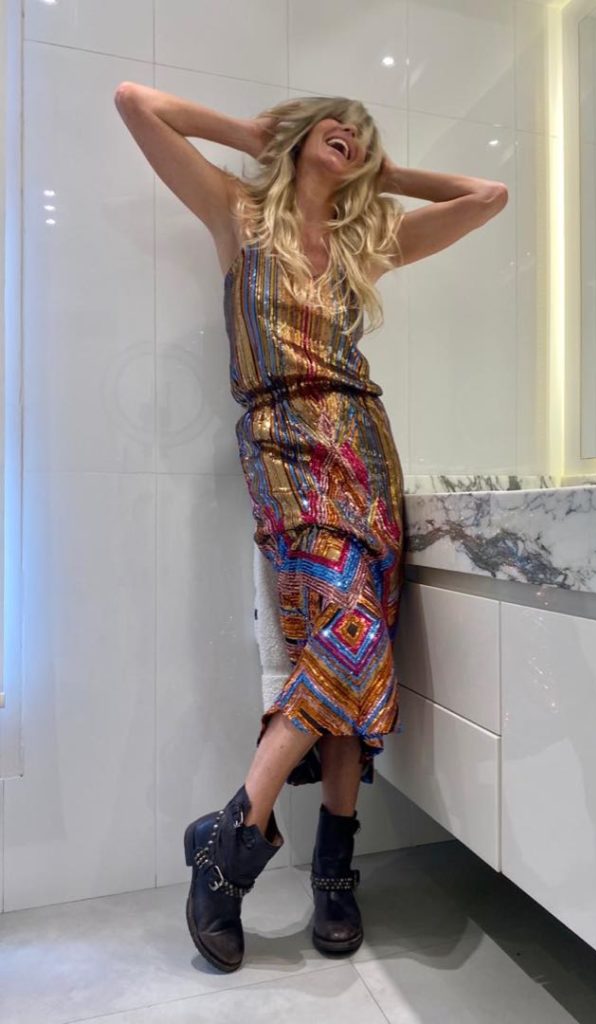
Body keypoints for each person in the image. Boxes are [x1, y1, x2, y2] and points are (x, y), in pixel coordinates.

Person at [114, 83, 508, 973]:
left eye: (362, 134)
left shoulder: (366, 244)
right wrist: (258, 136)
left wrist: (381, 173)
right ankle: (236, 837)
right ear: (298, 135)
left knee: (355, 650)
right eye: (337, 124)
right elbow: (136, 103)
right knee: (348, 634)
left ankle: (326, 868)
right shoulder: (238, 212)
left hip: (364, 449)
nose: (351, 136)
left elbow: (488, 197)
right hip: (283, 442)